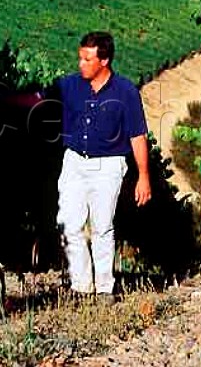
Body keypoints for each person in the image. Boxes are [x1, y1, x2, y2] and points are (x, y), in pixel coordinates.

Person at [56, 31, 151, 305]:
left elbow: (137, 135)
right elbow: (40, 96)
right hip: (74, 162)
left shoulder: (125, 92)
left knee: (102, 227)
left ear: (104, 60)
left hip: (108, 166)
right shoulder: (70, 85)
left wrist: (143, 176)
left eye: (87, 59)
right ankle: (82, 286)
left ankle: (104, 290)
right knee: (69, 225)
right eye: (80, 58)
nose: (81, 64)